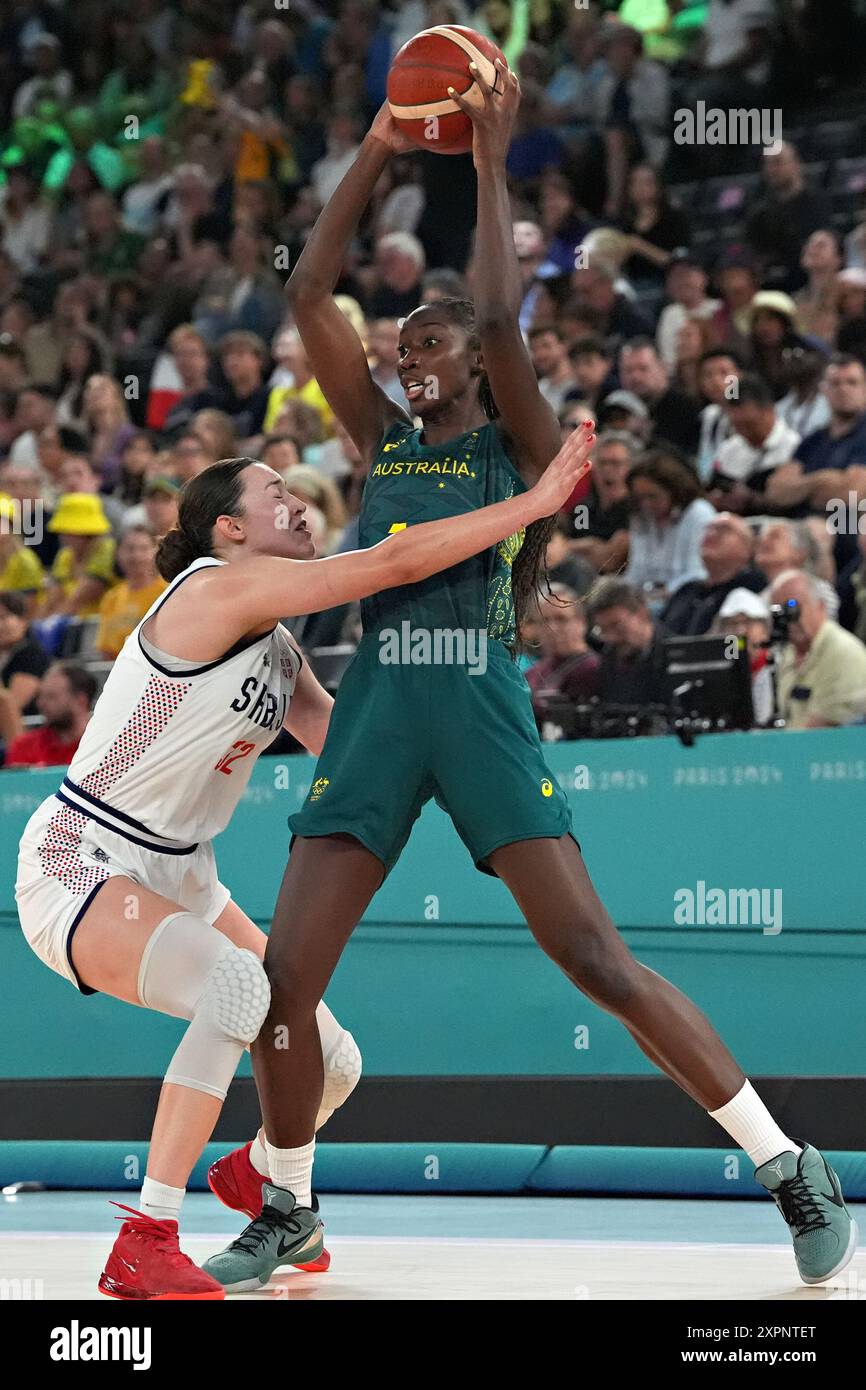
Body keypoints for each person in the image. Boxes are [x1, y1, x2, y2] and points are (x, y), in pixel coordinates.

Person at [202, 73, 854, 1294]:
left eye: (430, 342)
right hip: (384, 708)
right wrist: (383, 146)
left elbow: (502, 321)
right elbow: (306, 289)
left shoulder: (518, 442)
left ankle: (788, 1164)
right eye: (407, 347)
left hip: (485, 710)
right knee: (283, 980)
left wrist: (489, 154)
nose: (415, 356)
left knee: (595, 961)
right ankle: (286, 1199)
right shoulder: (380, 437)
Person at [15, 436, 591, 1299]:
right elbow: (391, 560)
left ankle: (261, 1178)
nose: (298, 503)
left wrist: (466, 759)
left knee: (327, 1055)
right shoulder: (214, 590)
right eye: (275, 492)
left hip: (180, 873)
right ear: (229, 529)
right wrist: (533, 503)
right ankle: (147, 1236)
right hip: (80, 857)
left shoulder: (277, 646)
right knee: (238, 991)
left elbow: (346, 751)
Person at [770, 570, 866, 728]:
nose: (790, 619)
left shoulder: (842, 652)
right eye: (782, 612)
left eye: (795, 607)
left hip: (833, 750)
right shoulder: (787, 654)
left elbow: (824, 727)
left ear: (820, 606)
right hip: (791, 746)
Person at [625, 449, 716, 597]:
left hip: (686, 597)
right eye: (640, 498)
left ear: (673, 491)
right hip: (648, 598)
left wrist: (667, 592)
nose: (646, 504)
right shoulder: (640, 518)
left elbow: (699, 572)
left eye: (653, 496)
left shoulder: (699, 513)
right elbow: (636, 571)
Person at [661, 511, 765, 636]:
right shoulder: (685, 590)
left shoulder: (755, 588)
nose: (711, 534)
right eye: (708, 529)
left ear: (748, 548)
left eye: (723, 529)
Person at [709, 373, 801, 514]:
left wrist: (752, 499)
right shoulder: (729, 449)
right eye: (737, 425)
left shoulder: (794, 447)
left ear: (769, 411)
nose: (743, 432)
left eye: (749, 424)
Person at [587, 577, 667, 705]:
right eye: (603, 630)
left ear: (642, 614)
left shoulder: (677, 655)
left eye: (617, 626)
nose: (610, 638)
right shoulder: (609, 657)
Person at [525, 586, 601, 718]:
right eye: (544, 621)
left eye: (561, 619)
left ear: (581, 622)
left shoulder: (594, 669)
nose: (552, 628)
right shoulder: (530, 674)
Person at [5, 660, 95, 768]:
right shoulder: (24, 746)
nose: (41, 703)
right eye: (40, 696)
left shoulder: (101, 746)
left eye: (51, 697)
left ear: (81, 701)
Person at [0, 590, 49, 750]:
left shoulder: (30, 654)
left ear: (23, 621)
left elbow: (13, 704)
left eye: (4, 617)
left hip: (27, 733)